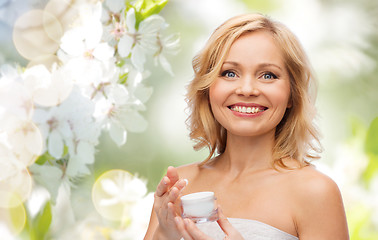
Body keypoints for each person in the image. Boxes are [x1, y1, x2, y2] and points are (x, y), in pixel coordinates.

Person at [144, 13, 349, 240]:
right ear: (208, 88)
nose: (247, 89)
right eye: (230, 73)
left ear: (292, 94)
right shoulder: (181, 185)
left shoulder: (315, 192)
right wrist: (163, 234)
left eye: (268, 75)